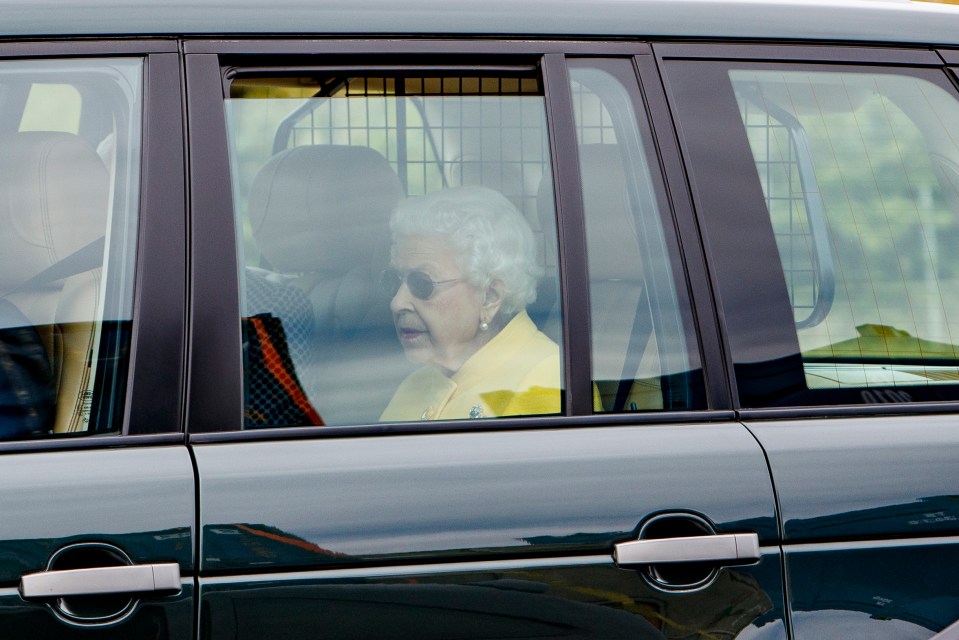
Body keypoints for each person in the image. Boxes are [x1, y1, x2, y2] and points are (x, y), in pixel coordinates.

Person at [379, 186, 560, 421]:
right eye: (395, 281)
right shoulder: (419, 382)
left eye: (423, 284)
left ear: (490, 297)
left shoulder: (546, 383)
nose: (397, 302)